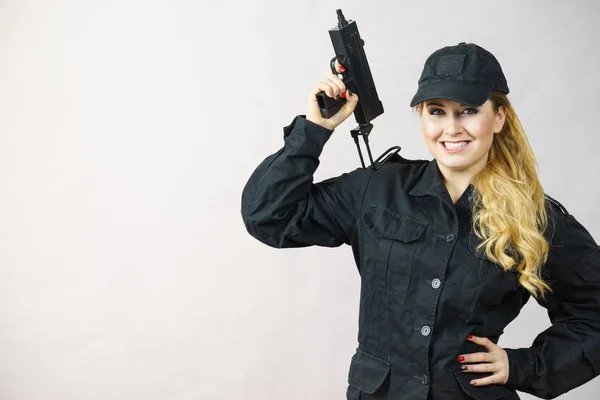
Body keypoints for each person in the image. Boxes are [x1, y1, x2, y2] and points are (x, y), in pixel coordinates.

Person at [240, 42, 600, 399]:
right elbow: (268, 215)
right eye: (437, 111)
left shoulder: (534, 218)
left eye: (469, 110)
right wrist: (315, 129)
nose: (452, 128)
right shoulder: (376, 190)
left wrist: (523, 366)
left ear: (499, 117)